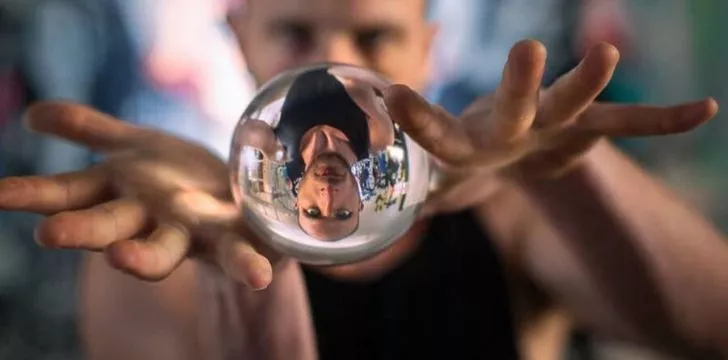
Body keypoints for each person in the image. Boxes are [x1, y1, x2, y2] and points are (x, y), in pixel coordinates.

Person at [1, 1, 727, 360]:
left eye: (374, 36)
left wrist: (567, 171)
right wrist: (252, 277)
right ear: (238, 37)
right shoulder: (171, 242)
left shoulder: (511, 212)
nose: (332, 67)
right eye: (295, 33)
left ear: (428, 47)